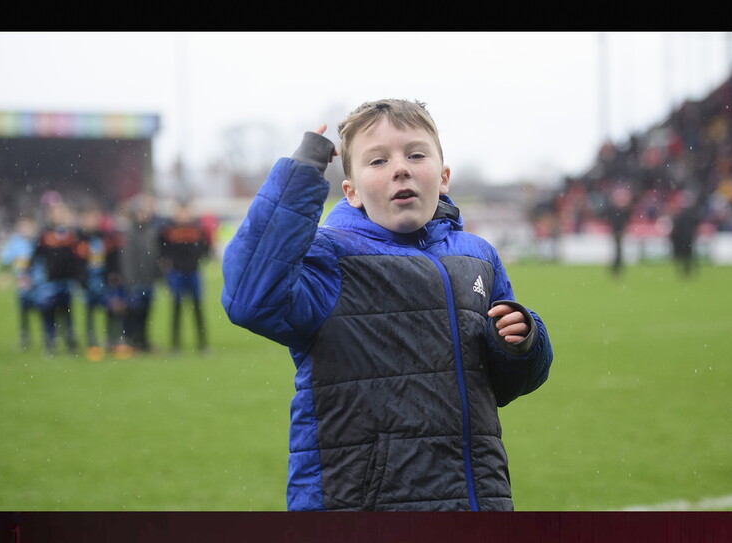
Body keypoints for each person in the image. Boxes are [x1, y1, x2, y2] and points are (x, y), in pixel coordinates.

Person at [222, 99, 554, 511]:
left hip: (473, 502)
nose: (400, 167)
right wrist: (299, 178)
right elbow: (250, 299)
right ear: (352, 191)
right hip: (362, 504)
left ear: (444, 176)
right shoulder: (330, 257)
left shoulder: (478, 257)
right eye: (378, 161)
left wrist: (523, 342)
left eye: (416, 154)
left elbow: (507, 384)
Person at [159, 201, 213, 354]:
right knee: (176, 308)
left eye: (185, 211)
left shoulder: (197, 230)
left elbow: (205, 247)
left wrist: (199, 259)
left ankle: (203, 344)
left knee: (197, 308)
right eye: (180, 212)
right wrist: (168, 263)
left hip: (193, 272)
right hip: (176, 273)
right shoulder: (168, 231)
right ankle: (175, 344)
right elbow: (162, 249)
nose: (183, 215)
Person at [30, 200, 80, 356]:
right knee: (49, 313)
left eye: (62, 212)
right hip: (50, 282)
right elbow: (35, 256)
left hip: (67, 281)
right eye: (56, 213)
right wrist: (30, 275)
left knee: (67, 312)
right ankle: (50, 343)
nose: (59, 216)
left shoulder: (71, 235)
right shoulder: (45, 235)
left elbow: (77, 257)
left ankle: (71, 343)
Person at [74, 203, 120, 359]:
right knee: (90, 313)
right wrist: (81, 279)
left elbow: (113, 258)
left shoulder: (106, 238)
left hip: (104, 281)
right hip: (88, 282)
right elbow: (76, 262)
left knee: (111, 310)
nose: (90, 221)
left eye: (93, 218)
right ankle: (92, 343)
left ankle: (111, 341)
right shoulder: (79, 239)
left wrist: (114, 275)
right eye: (87, 218)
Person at [117, 192, 161, 353]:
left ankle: (142, 341)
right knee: (134, 313)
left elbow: (154, 257)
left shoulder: (151, 232)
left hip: (148, 280)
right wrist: (130, 281)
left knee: (146, 313)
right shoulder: (130, 233)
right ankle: (131, 341)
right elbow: (127, 260)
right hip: (135, 282)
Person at [0, 215, 44, 350]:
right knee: (24, 310)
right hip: (22, 284)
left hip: (38, 283)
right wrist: (4, 275)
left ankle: (46, 336)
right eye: (23, 226)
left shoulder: (38, 242)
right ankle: (25, 336)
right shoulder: (15, 242)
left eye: (28, 226)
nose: (26, 229)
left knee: (42, 309)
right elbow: (6, 260)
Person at [670, 192, 703, 278]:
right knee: (689, 255)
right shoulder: (691, 214)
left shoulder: (679, 215)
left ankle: (685, 270)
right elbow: (695, 225)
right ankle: (689, 270)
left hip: (682, 238)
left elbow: (676, 227)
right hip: (687, 238)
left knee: (683, 255)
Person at [606, 185, 633, 277]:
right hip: (617, 233)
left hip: (618, 233)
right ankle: (617, 269)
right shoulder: (616, 210)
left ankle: (616, 269)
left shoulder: (618, 211)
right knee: (618, 252)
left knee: (618, 252)